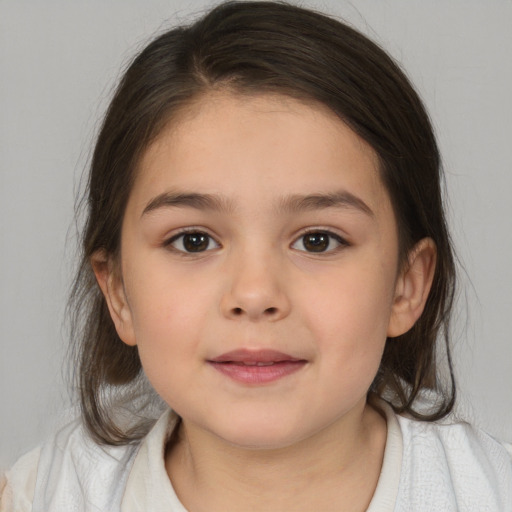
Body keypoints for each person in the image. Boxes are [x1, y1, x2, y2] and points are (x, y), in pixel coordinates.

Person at [1, 1, 511, 511]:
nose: (255, 294)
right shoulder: (41, 497)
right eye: (193, 240)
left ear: (407, 284)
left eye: (318, 240)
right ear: (118, 292)